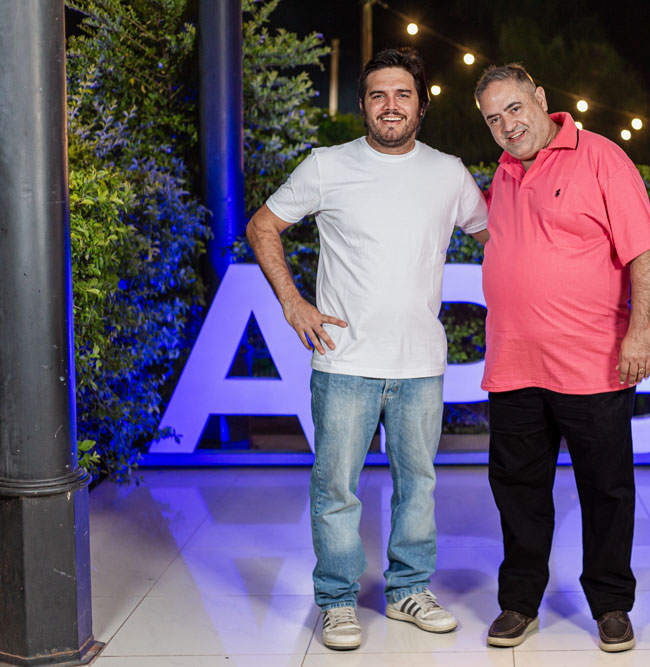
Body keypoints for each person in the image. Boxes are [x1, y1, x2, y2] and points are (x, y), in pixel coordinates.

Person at [246, 48, 489, 651]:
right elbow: (262, 225)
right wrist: (293, 304)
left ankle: (408, 590)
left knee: (418, 487)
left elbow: (497, 240)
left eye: (403, 94)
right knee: (335, 489)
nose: (390, 105)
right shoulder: (326, 166)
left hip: (420, 363)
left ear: (422, 105)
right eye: (378, 95)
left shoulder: (449, 173)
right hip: (344, 362)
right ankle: (336, 601)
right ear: (363, 105)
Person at [474, 64, 650, 653]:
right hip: (514, 364)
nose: (507, 125)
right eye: (493, 119)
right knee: (517, 491)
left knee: (606, 491)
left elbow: (644, 248)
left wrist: (639, 330)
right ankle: (518, 603)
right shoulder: (502, 174)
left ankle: (611, 605)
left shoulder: (602, 157)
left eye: (514, 108)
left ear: (540, 98)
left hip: (594, 365)